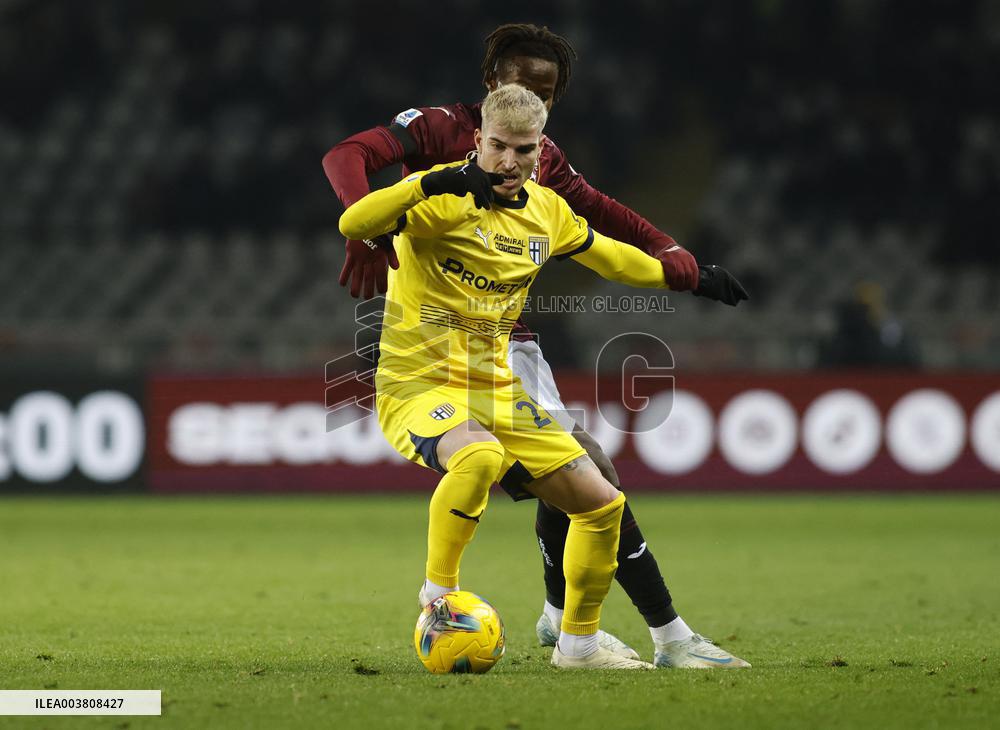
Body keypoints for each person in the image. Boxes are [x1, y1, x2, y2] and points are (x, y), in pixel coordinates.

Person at [325, 24, 749, 669]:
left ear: (540, 145)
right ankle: (438, 598)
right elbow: (355, 214)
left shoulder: (546, 208)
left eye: (524, 150)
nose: (510, 162)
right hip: (419, 383)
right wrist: (408, 200)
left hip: (496, 383)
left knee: (602, 502)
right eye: (498, 148)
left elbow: (614, 257)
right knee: (479, 458)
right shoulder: (438, 190)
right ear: (479, 137)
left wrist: (688, 274)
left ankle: (576, 643)